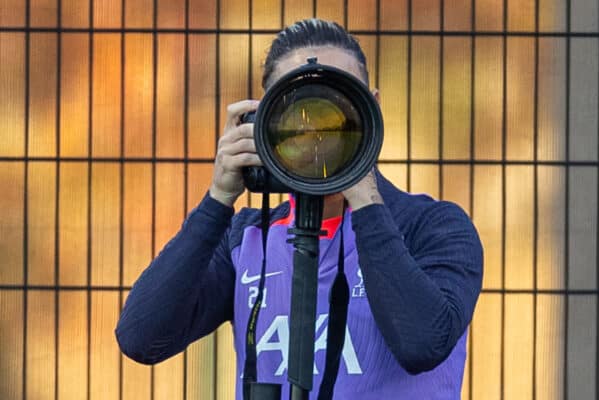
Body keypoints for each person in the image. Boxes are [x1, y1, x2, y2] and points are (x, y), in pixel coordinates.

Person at [115, 18, 483, 399]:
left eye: (339, 104)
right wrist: (217, 201)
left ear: (372, 108)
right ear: (266, 121)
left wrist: (365, 198)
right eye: (300, 111)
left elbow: (422, 343)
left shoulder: (434, 227)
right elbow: (142, 338)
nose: (319, 132)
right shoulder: (247, 239)